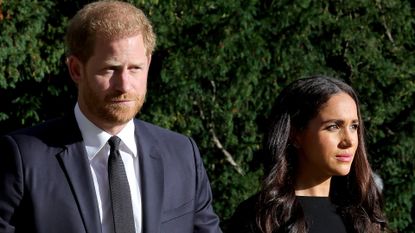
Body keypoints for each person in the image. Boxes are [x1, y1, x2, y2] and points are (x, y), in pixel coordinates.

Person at [0, 1, 222, 233]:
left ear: (148, 64)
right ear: (76, 69)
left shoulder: (182, 154)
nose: (124, 85)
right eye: (110, 69)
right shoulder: (23, 158)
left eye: (135, 68)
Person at [226, 76, 388, 233]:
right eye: (333, 126)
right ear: (295, 135)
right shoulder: (262, 218)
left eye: (354, 126)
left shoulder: (364, 216)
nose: (350, 141)